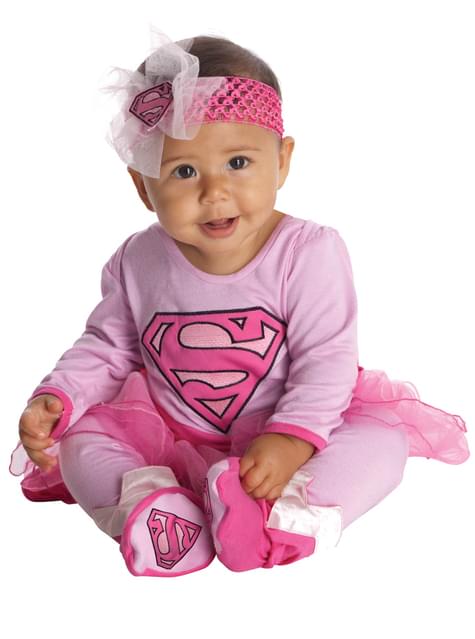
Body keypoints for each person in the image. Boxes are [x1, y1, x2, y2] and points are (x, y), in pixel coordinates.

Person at [9, 27, 470, 577]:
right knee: (80, 442)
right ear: (142, 185)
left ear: (282, 160)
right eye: (183, 171)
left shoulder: (307, 252)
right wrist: (60, 395)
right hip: (171, 431)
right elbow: (108, 348)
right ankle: (158, 514)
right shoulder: (138, 260)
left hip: (290, 426)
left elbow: (325, 360)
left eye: (238, 163)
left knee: (383, 443)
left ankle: (280, 521)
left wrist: (291, 439)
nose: (214, 192)